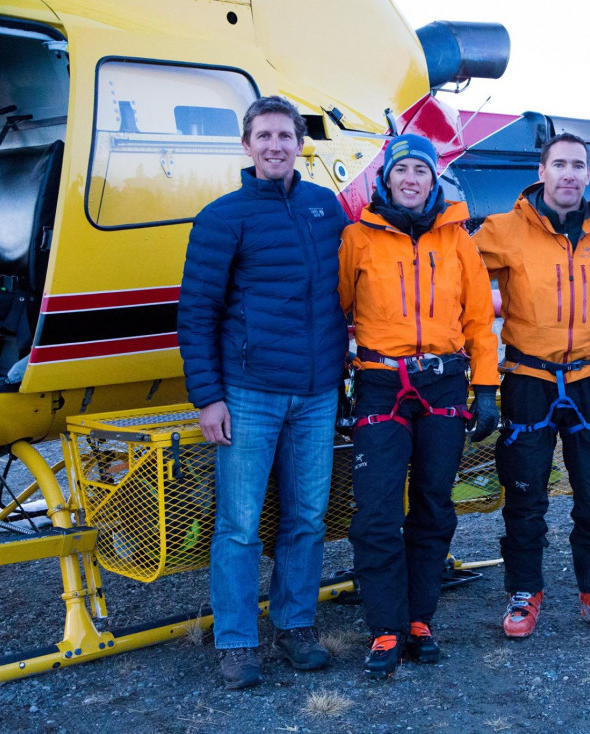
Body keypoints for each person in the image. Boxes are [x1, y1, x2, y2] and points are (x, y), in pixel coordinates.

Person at [177, 96, 350, 689]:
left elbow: (348, 295)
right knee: (239, 523)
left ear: (299, 143)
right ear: (246, 146)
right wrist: (208, 397)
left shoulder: (325, 208)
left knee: (306, 516)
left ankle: (296, 626)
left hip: (318, 392)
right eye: (263, 136)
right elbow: (197, 313)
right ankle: (235, 641)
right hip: (248, 394)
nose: (275, 145)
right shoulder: (222, 217)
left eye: (285, 135)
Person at [338, 134, 498, 678]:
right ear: (386, 179)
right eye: (402, 170)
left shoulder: (458, 240)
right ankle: (386, 626)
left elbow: (479, 319)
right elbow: (337, 313)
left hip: (444, 385)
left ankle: (421, 620)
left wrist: (487, 389)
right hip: (381, 383)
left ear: (434, 180)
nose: (411, 179)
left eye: (421, 172)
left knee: (433, 504)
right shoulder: (358, 238)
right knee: (377, 510)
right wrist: (341, 385)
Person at [473, 132, 590, 638]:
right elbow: (451, 278)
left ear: (589, 175)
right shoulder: (502, 230)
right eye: (560, 164)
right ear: (541, 171)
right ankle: (524, 592)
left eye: (579, 166)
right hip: (529, 379)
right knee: (525, 495)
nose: (569, 174)